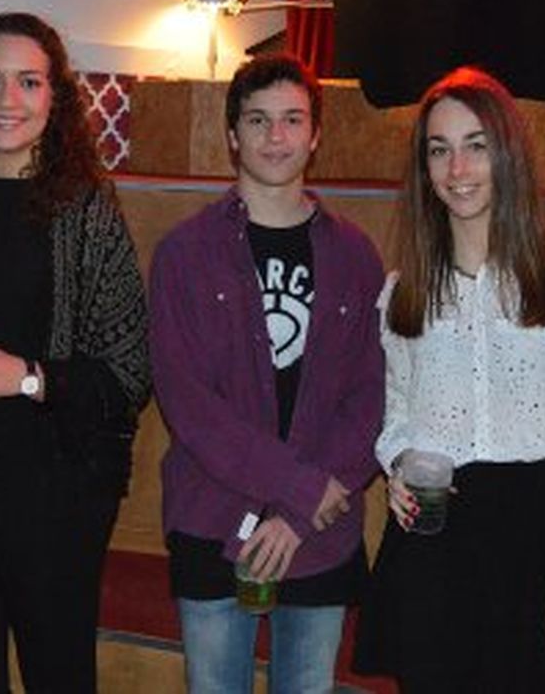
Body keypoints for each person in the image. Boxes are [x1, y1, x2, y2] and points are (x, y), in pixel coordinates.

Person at [0, 11, 151, 693]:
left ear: (55, 97)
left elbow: (128, 370)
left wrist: (24, 377)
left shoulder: (88, 208)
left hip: (57, 493)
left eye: (29, 81)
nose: (7, 99)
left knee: (57, 676)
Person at [354, 66, 545, 693]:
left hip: (533, 538)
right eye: (438, 150)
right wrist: (398, 462)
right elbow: (396, 411)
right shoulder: (404, 290)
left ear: (508, 154)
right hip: (434, 541)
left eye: (476, 146)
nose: (458, 169)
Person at [150, 53, 386, 694]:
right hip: (212, 515)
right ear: (233, 135)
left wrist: (301, 510)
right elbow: (189, 405)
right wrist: (298, 487)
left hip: (321, 532)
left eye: (292, 120)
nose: (275, 137)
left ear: (315, 134)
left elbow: (372, 397)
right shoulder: (184, 254)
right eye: (258, 120)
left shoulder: (355, 255)